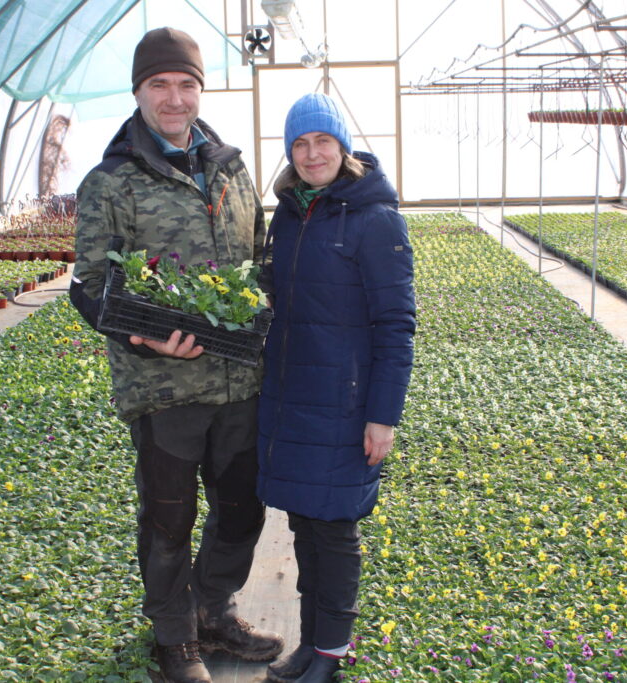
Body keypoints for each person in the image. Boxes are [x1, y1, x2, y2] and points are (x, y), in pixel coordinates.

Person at [69, 26, 283, 683]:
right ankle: (174, 640)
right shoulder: (111, 181)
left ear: (200, 89)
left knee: (242, 507)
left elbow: (263, 259)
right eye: (159, 84)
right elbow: (91, 287)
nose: (174, 97)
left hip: (240, 376)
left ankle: (212, 612)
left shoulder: (232, 169)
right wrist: (145, 331)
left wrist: (266, 312)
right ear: (138, 90)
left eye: (185, 83)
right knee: (168, 517)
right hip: (162, 385)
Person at [256, 93, 416, 682]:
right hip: (294, 396)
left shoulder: (375, 219)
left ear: (343, 147)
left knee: (335, 528)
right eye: (299, 144)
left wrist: (383, 415)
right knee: (304, 523)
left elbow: (396, 325)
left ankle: (331, 653)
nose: (311, 152)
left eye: (322, 141)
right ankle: (311, 642)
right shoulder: (291, 214)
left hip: (345, 406)